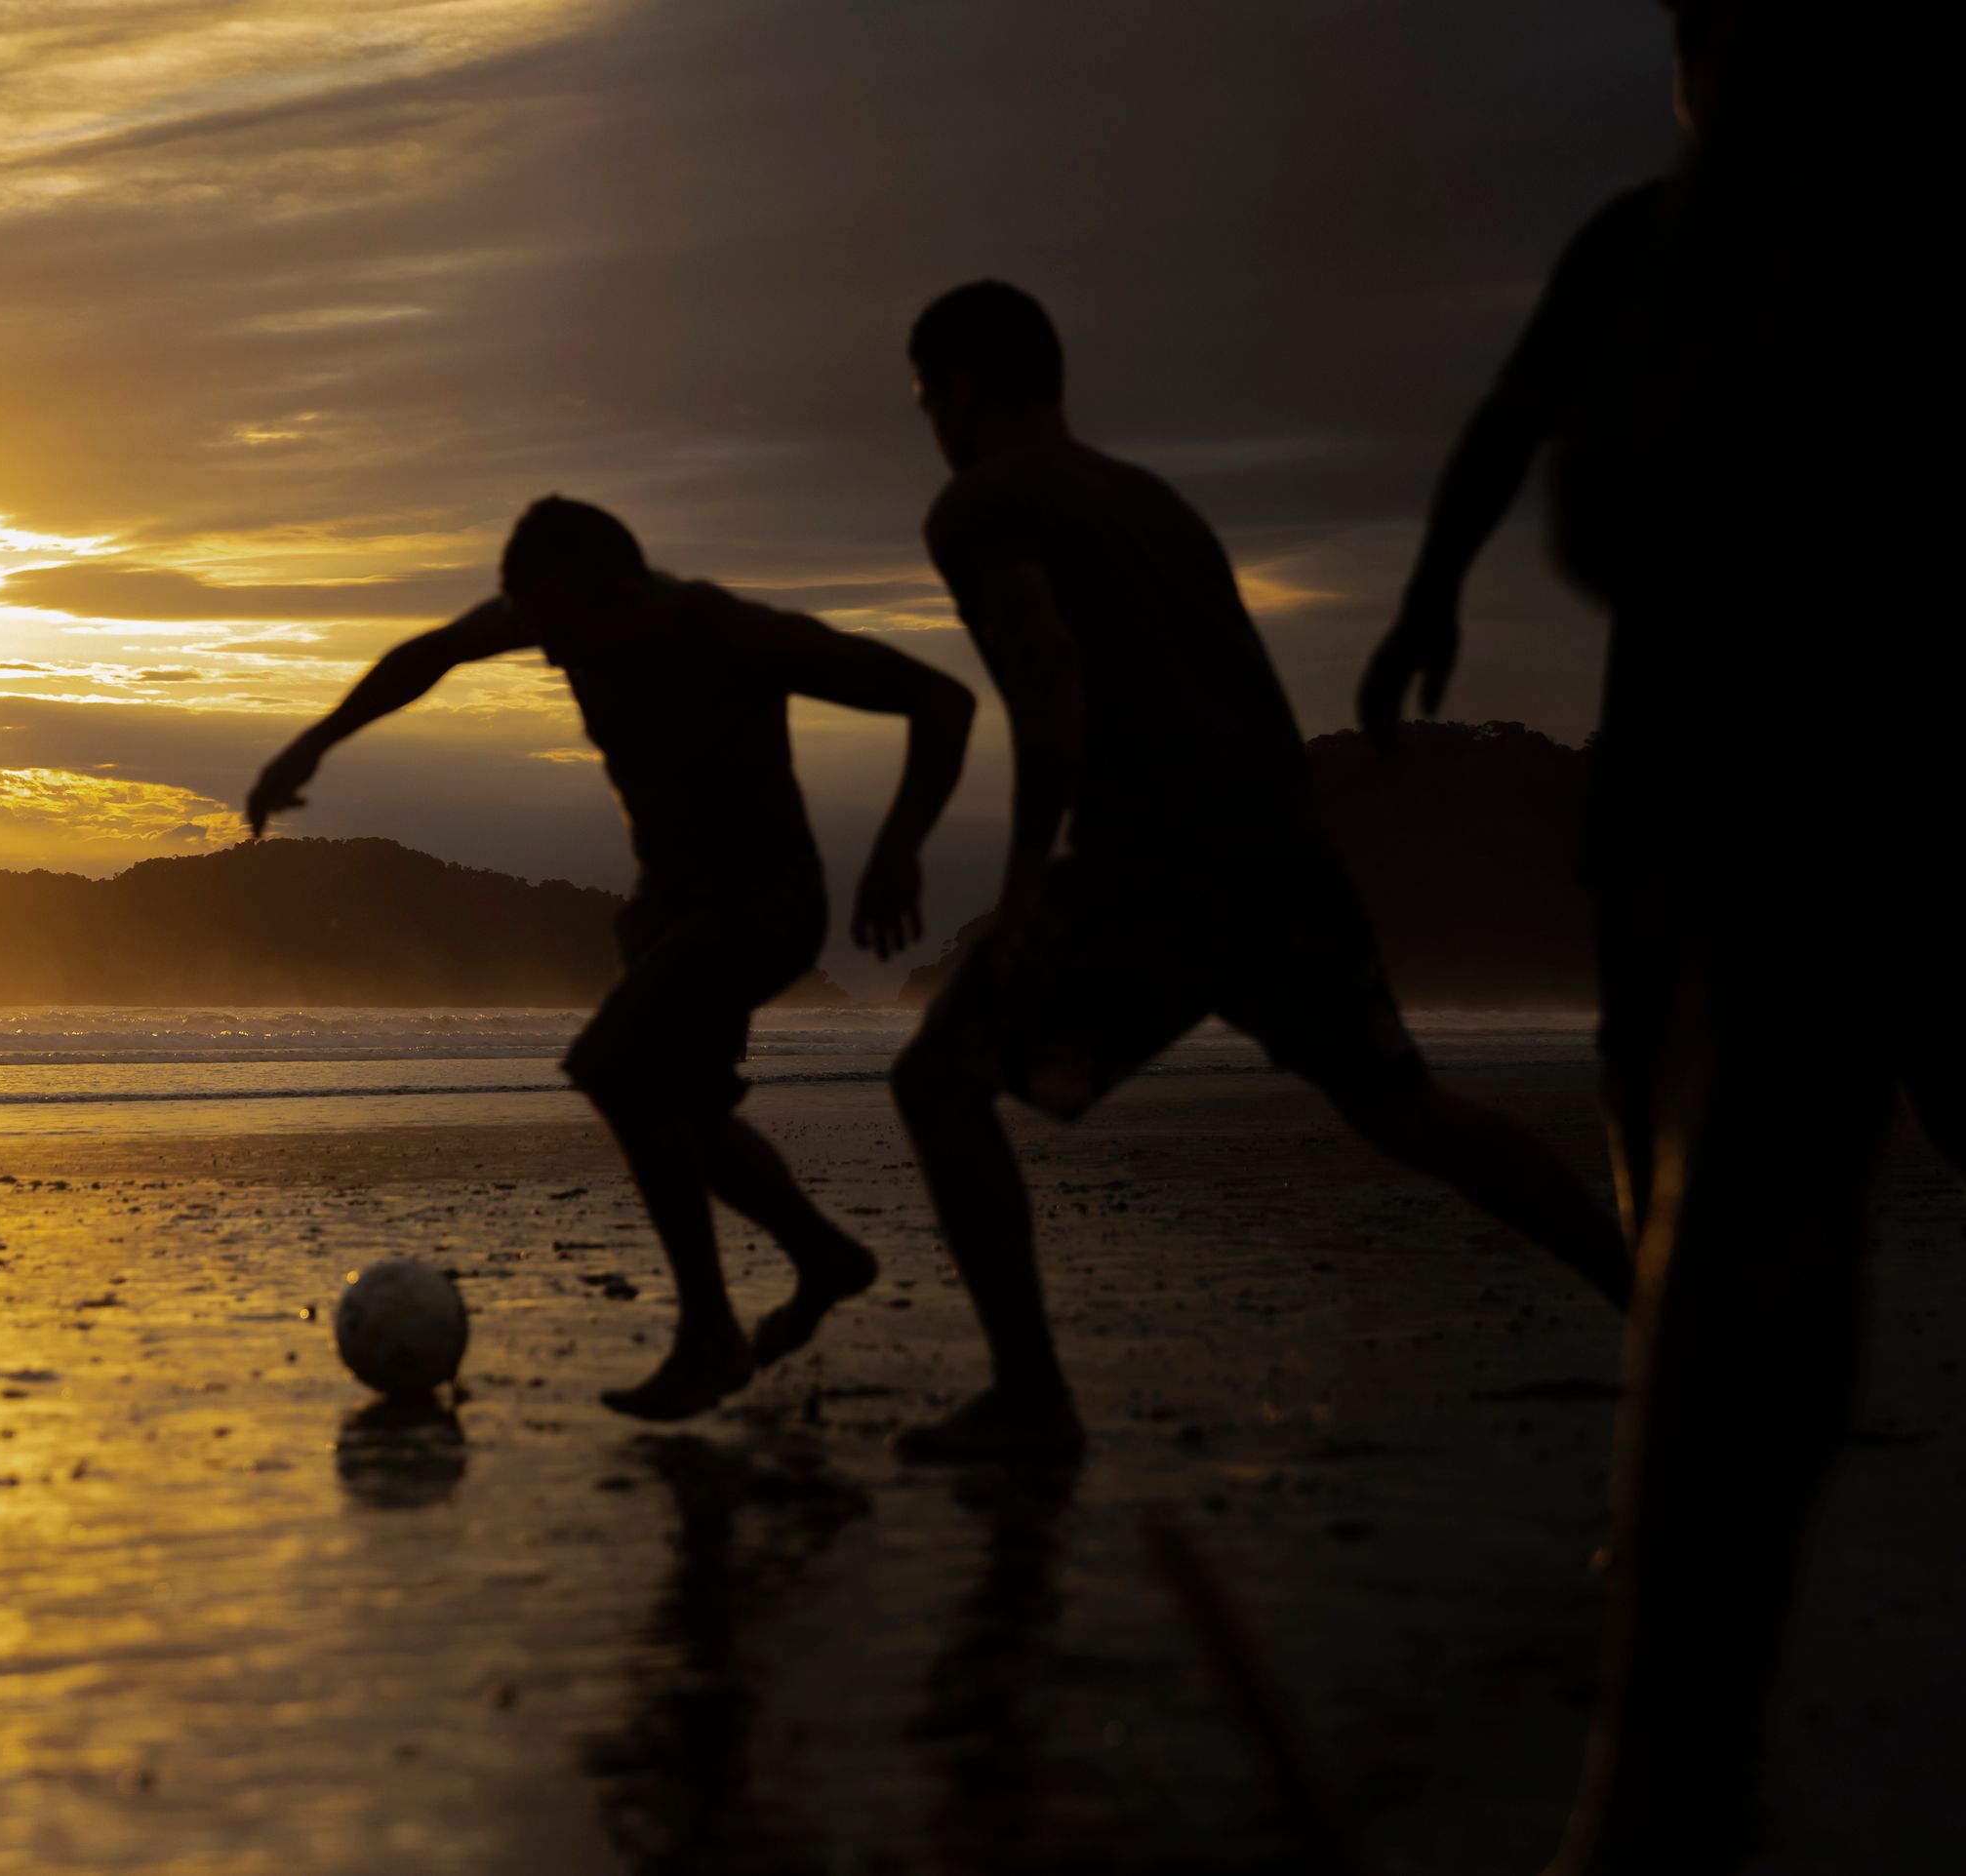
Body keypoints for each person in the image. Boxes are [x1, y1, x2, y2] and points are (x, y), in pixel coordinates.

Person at [1372, 7, 1951, 1870]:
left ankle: (1661, 1780)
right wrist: (1433, 584)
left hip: (1770, 765)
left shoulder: (1708, 230)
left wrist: (1445, 587)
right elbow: (1525, 437)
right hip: (1710, 778)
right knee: (1700, 1135)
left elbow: (1585, 476)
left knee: (1748, 1170)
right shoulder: (1648, 234)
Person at [887, 279, 1633, 1463]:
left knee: (937, 1083)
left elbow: (1045, 679)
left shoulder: (981, 504)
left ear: (963, 388)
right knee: (1408, 1111)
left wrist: (1029, 875)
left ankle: (1031, 1397)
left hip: (1157, 862)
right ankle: (1656, 1322)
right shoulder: (1152, 500)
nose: (930, 422)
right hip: (1280, 850)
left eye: (927, 397)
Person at [247, 496, 977, 1420]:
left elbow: (941, 700)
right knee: (689, 1115)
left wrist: (899, 849)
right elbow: (427, 654)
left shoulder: (737, 635)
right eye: (536, 634)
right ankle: (822, 1254)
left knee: (612, 1068)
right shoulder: (564, 614)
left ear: (626, 592)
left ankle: (709, 1332)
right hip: (668, 915)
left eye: (565, 634)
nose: (552, 657)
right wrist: (306, 746)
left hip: (764, 905)